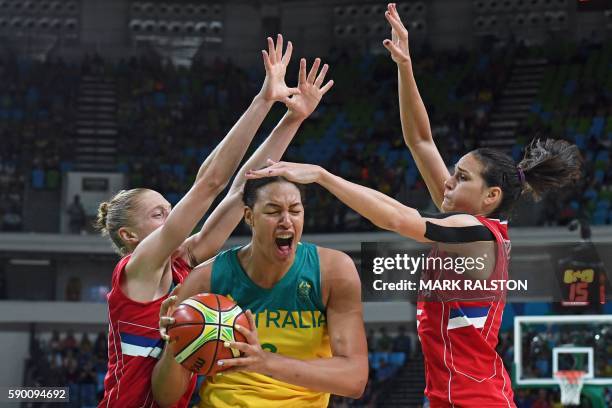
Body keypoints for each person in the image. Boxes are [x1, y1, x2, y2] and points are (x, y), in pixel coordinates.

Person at [245, 4, 583, 407]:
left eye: (462, 177)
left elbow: (400, 219)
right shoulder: (470, 225)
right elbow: (421, 141)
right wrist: (405, 66)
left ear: (491, 197)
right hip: (456, 396)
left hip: (474, 400)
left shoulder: (475, 234)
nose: (449, 181)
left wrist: (323, 175)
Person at [95, 35, 306, 408]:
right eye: (160, 214)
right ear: (129, 235)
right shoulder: (137, 269)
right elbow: (210, 183)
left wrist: (293, 118)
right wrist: (263, 101)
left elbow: (243, 187)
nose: (174, 217)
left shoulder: (182, 264)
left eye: (170, 208)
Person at [154, 175, 368, 408]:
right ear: (249, 216)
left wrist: (264, 362)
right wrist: (175, 344)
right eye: (273, 211)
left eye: (295, 211)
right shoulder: (206, 278)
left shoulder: (331, 271)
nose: (286, 220)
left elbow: (353, 378)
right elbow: (166, 397)